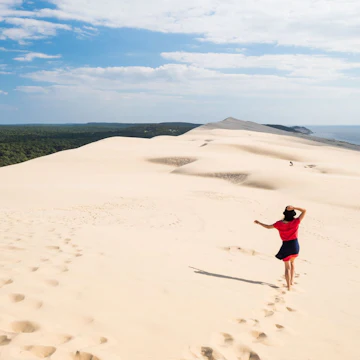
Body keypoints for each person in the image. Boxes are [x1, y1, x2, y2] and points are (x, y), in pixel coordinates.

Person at [254, 206, 306, 291]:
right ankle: (292, 281)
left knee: (287, 267)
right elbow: (304, 211)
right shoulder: (296, 222)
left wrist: (259, 223)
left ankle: (288, 286)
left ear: (284, 214)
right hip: (295, 245)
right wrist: (294, 207)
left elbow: (268, 227)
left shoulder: (279, 224)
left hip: (286, 246)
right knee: (292, 263)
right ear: (293, 214)